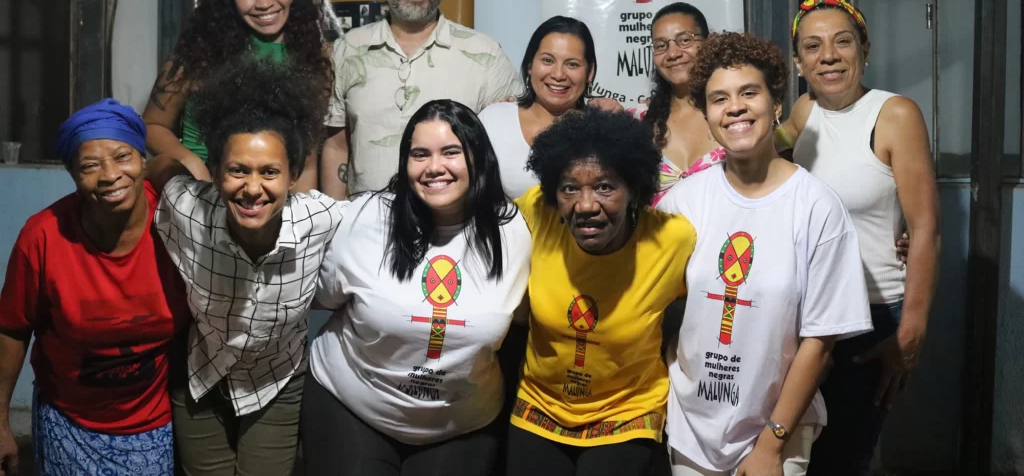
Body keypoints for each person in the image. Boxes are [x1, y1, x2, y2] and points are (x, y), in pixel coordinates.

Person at [656, 32, 872, 476]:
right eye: (719, 98)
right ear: (707, 113)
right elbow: (651, 302)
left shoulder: (816, 208)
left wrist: (772, 444)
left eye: (749, 93)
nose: (735, 107)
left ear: (776, 104)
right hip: (691, 429)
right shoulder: (684, 201)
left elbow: (820, 338)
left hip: (778, 432)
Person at [304, 100, 532, 475]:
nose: (434, 167)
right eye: (420, 154)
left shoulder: (513, 231)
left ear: (478, 157)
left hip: (462, 425)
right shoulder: (367, 219)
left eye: (451, 152)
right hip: (353, 404)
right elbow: (324, 297)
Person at [151, 59, 344, 476]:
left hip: (276, 381)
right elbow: (158, 169)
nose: (252, 188)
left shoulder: (322, 219)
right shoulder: (189, 208)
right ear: (217, 172)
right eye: (237, 170)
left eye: (270, 172)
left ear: (293, 176)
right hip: (201, 377)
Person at [776, 0, 940, 476]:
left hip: (870, 317)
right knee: (797, 454)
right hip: (808, 315)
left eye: (842, 42)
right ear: (799, 62)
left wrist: (911, 331)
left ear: (864, 52)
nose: (828, 56)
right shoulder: (803, 114)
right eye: (813, 46)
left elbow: (927, 227)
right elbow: (751, 154)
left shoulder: (895, 114)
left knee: (844, 459)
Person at [0, 100, 189, 476]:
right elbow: (12, 330)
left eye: (123, 157)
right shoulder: (44, 236)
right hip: (66, 421)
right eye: (90, 165)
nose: (109, 175)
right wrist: (0, 421)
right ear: (72, 174)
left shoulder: (178, 225)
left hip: (152, 425)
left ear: (142, 161)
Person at [506, 109, 697, 476]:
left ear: (635, 191)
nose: (586, 205)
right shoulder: (538, 213)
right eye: (569, 188)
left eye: (605, 187)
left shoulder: (673, 240)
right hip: (540, 407)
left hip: (626, 411)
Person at [320, 0, 522, 200]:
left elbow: (519, 139)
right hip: (366, 230)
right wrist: (335, 225)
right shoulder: (348, 50)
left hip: (456, 232)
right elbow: (337, 147)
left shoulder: (486, 55)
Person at [143, 0, 332, 191]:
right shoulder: (199, 52)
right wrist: (190, 163)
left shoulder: (313, 58)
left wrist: (303, 217)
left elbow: (307, 159)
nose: (264, 2)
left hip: (273, 204)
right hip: (201, 198)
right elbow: (152, 126)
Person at [478, 16, 597, 199]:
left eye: (572, 64)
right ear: (530, 65)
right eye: (548, 61)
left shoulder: (605, 128)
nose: (558, 75)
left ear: (590, 72)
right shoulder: (493, 120)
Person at [637, 3, 724, 206]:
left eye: (684, 40)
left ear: (708, 43)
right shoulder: (639, 123)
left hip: (732, 237)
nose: (673, 53)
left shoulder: (732, 113)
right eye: (661, 45)